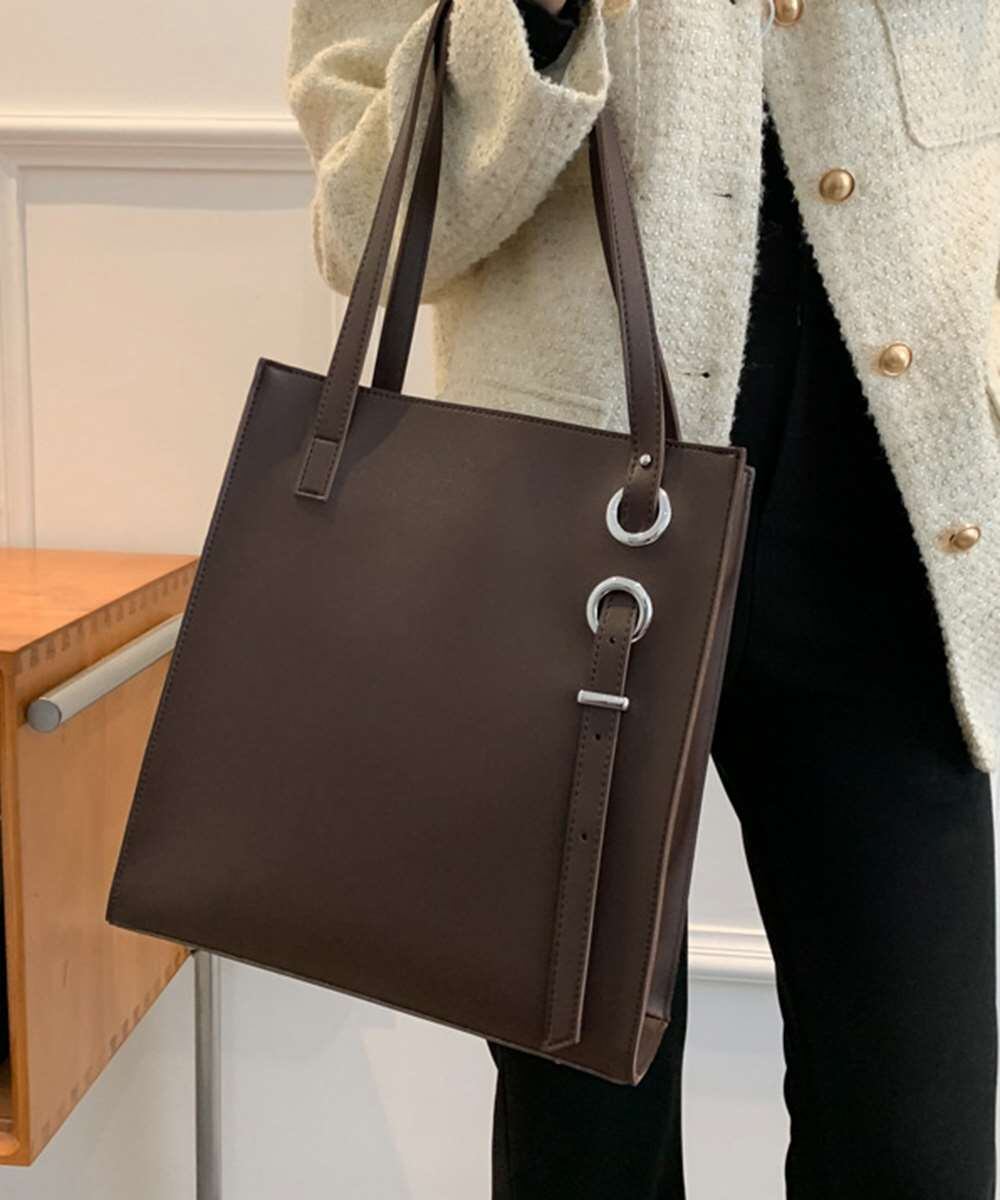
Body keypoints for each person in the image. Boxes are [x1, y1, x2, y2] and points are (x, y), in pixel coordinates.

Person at [286, 1, 1000, 1195]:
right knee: (583, 1142)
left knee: (916, 1138)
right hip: (557, 534)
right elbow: (362, 226)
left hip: (898, 523)